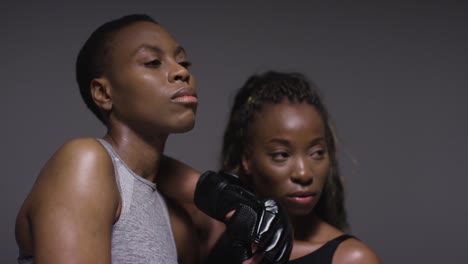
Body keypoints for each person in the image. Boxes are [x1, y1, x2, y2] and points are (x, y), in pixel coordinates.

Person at [14, 14, 204, 264]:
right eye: (153, 62)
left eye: (184, 62)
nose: (181, 72)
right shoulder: (83, 162)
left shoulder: (178, 223)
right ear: (104, 93)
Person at [204, 71, 382, 263]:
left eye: (317, 153)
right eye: (282, 155)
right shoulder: (211, 235)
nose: (304, 174)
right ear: (246, 159)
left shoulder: (351, 259)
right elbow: (168, 173)